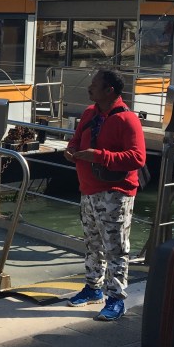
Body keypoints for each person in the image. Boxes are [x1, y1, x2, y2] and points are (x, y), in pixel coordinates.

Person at [63, 69, 147, 321]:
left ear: (109, 90)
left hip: (115, 194)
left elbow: (138, 158)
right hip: (88, 190)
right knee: (93, 244)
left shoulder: (127, 119)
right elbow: (76, 140)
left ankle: (116, 299)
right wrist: (71, 151)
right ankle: (93, 288)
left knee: (116, 248)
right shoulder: (89, 113)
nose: (89, 88)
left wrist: (99, 156)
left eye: (94, 84)